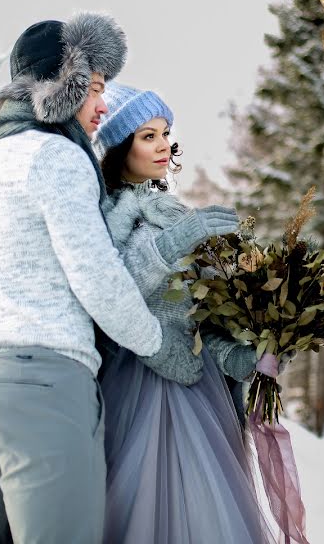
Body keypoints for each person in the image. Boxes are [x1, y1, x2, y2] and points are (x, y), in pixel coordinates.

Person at [0, 13, 237, 544]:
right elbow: (99, 281)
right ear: (60, 89)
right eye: (93, 89)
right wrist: (163, 348)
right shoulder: (59, 156)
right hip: (41, 388)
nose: (101, 106)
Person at [95, 84, 278, 543]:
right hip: (136, 384)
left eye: (165, 133)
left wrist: (240, 352)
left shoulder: (175, 211)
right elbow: (112, 290)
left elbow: (199, 311)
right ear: (120, 146)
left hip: (199, 387)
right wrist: (176, 243)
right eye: (147, 136)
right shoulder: (106, 212)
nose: (162, 146)